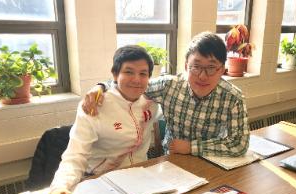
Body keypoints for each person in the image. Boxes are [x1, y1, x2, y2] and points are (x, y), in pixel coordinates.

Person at [82, 31, 249, 157]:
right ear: (185, 66)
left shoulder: (233, 98)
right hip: (172, 161)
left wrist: (192, 147)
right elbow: (132, 84)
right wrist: (101, 86)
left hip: (211, 161)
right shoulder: (170, 85)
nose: (202, 76)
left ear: (222, 70)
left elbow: (239, 145)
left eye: (211, 68)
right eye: (196, 66)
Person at [45, 45, 159, 194]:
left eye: (143, 74)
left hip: (139, 180)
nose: (136, 79)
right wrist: (60, 187)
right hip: (101, 181)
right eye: (128, 72)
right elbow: (75, 155)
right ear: (115, 74)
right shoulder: (95, 105)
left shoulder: (153, 103)